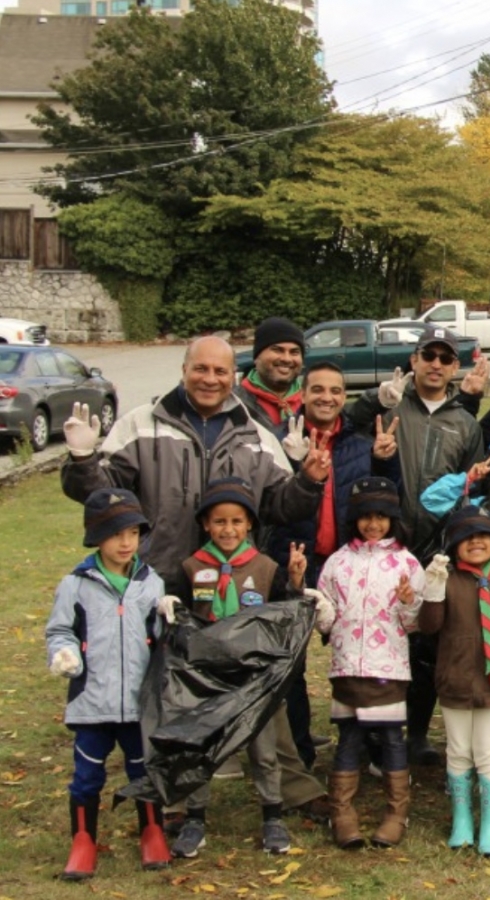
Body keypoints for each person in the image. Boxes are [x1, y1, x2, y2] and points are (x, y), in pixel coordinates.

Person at [59, 336, 331, 822]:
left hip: (237, 591)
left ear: (233, 375)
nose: (210, 379)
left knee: (262, 689)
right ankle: (175, 797)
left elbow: (280, 504)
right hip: (162, 585)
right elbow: (106, 499)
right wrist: (82, 463)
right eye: (201, 369)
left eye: (221, 372)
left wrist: (308, 480)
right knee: (169, 697)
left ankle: (292, 785)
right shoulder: (141, 425)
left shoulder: (252, 432)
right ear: (184, 369)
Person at [352, 327, 486, 767]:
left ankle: (416, 736)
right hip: (387, 543)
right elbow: (347, 422)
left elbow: (471, 489)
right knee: (382, 643)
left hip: (436, 550)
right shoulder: (394, 406)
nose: (436, 364)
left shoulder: (464, 423)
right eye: (428, 354)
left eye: (445, 358)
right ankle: (375, 737)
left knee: (429, 645)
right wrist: (377, 401)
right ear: (414, 359)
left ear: (455, 367)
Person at [268, 360, 401, 769]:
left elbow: (382, 500)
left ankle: (372, 746)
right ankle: (298, 754)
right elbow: (272, 503)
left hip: (349, 567)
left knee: (366, 657)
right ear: (302, 394)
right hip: (295, 561)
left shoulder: (359, 443)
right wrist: (293, 464)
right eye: (318, 390)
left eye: (335, 391)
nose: (327, 397)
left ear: (344, 397)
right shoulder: (279, 440)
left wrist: (383, 461)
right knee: (291, 663)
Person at [168, 478, 307, 858]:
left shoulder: (265, 568)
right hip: (207, 680)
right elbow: (179, 616)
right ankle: (195, 818)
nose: (228, 530)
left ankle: (272, 816)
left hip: (254, 680)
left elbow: (285, 615)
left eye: (237, 522)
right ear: (205, 525)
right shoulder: (192, 567)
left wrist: (295, 581)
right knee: (201, 748)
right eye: (219, 522)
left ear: (249, 526)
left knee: (264, 750)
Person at [45, 488, 171, 880]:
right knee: (87, 776)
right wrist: (64, 652)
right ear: (96, 536)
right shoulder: (76, 585)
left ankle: (152, 831)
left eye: (133, 533)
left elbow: (160, 637)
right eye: (116, 534)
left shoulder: (152, 583)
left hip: (139, 704)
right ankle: (83, 840)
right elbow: (60, 630)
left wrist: (168, 619)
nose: (125, 542)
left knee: (144, 773)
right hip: (91, 702)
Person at [312, 477, 425, 850]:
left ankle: (396, 813)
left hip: (388, 667)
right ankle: (341, 811)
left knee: (392, 737)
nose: (373, 524)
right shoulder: (338, 561)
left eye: (381, 516)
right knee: (349, 736)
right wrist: (304, 589)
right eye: (365, 516)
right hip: (347, 666)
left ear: (393, 518)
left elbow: (414, 624)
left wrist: (409, 602)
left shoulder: (407, 563)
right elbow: (325, 620)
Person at [418, 507, 490, 857]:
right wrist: (432, 590)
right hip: (455, 678)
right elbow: (430, 626)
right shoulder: (447, 578)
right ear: (453, 546)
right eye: (466, 538)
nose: (475, 542)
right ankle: (462, 819)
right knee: (459, 750)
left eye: (483, 536)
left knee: (489, 749)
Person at [234, 317, 306, 428]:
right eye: (277, 350)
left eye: (294, 352)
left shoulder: (311, 402)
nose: (287, 359)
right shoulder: (234, 404)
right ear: (257, 356)